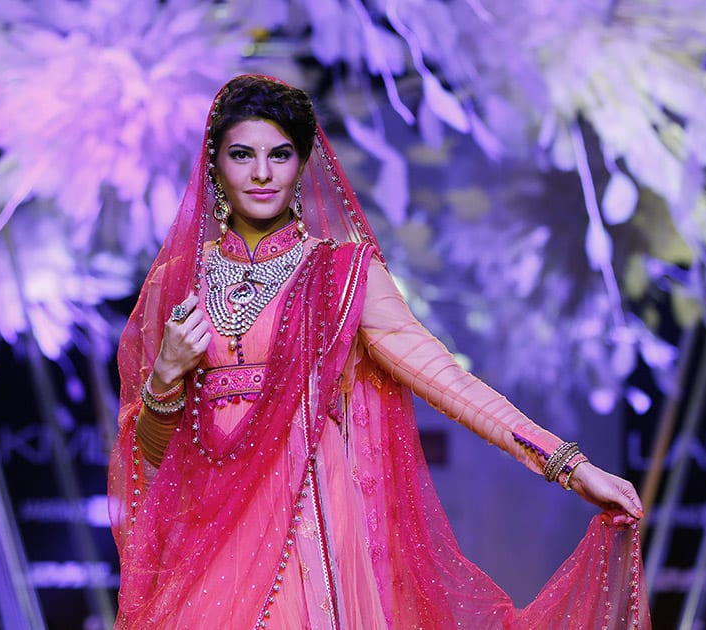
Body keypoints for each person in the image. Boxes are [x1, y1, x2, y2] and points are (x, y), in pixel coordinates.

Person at [109, 74, 649, 629]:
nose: (263, 173)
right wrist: (165, 376)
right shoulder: (177, 284)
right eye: (242, 154)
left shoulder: (344, 276)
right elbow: (152, 456)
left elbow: (449, 382)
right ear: (216, 165)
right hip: (208, 533)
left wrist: (569, 464)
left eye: (281, 154)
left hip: (308, 521)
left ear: (302, 165)